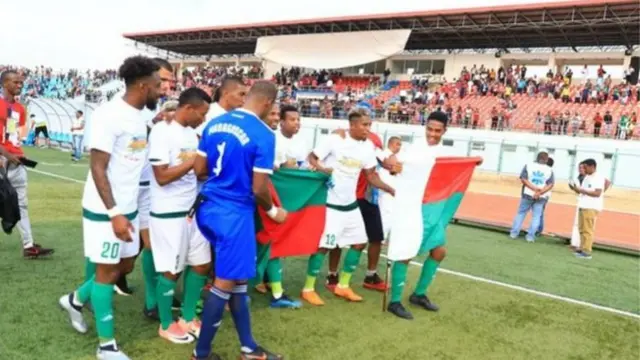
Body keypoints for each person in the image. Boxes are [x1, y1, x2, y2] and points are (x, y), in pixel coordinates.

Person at [58, 55, 162, 360]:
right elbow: (98, 168)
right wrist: (115, 213)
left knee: (124, 267)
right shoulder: (108, 115)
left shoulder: (141, 118)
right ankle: (106, 347)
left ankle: (74, 300)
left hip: (129, 206)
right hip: (106, 209)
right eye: (158, 86)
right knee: (106, 273)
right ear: (143, 86)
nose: (161, 91)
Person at [191, 81, 285, 360]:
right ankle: (201, 353)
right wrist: (273, 212)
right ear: (268, 103)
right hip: (234, 215)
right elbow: (258, 189)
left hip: (207, 207)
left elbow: (199, 170)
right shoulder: (264, 134)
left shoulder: (215, 124)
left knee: (238, 278)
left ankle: (249, 347)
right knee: (225, 283)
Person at [301, 108, 395, 306]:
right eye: (364, 125)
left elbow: (371, 175)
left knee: (360, 242)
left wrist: (390, 188)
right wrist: (322, 169)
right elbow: (312, 156)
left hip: (351, 205)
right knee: (324, 246)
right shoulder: (336, 140)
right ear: (352, 125)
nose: (368, 129)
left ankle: (343, 285)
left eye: (369, 125)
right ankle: (308, 289)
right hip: (331, 204)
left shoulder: (368, 147)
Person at [148, 87, 212, 344]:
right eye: (203, 113)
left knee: (201, 264)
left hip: (192, 210)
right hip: (168, 212)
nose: (204, 119)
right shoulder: (162, 132)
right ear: (189, 109)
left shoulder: (192, 134)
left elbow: (198, 172)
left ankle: (187, 317)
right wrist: (193, 162)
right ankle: (165, 324)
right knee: (171, 271)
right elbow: (161, 177)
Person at [385, 111, 451, 320]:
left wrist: (472, 163)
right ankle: (395, 301)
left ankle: (419, 294)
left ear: (444, 131)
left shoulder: (447, 153)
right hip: (410, 208)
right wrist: (393, 164)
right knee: (405, 253)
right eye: (429, 129)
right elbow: (393, 164)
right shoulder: (412, 150)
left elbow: (456, 172)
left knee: (439, 251)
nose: (432, 134)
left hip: (431, 210)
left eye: (437, 130)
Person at [253, 105, 304, 309]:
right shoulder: (268, 139)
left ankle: (274, 289)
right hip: (262, 200)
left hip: (270, 200)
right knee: (265, 243)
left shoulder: (293, 142)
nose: (297, 123)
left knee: (270, 244)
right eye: (272, 114)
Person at [0, 69, 55, 259]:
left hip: (17, 161)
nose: (19, 85)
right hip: (3, 160)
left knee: (21, 204)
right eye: (15, 82)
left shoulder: (20, 109)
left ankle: (29, 245)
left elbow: (13, 135)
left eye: (21, 82)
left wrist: (15, 153)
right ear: (4, 83)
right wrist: (5, 154)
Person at [509, 151, 554, 243]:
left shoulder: (528, 166)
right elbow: (550, 184)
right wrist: (540, 192)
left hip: (527, 193)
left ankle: (514, 233)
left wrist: (533, 189)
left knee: (521, 213)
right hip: (541, 196)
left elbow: (523, 179)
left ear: (537, 158)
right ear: (546, 160)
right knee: (536, 216)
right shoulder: (549, 170)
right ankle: (530, 237)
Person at [569, 159, 608, 259]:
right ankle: (582, 248)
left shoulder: (598, 177)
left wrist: (582, 190)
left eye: (585, 167)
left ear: (592, 167)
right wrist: (575, 189)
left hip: (591, 206)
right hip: (583, 204)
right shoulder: (587, 177)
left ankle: (587, 251)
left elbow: (597, 193)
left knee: (587, 230)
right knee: (581, 228)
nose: (583, 169)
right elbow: (583, 191)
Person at [536, 157, 554, 236]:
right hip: (545, 195)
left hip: (543, 194)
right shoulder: (549, 172)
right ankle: (538, 229)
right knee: (539, 213)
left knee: (539, 213)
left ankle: (538, 229)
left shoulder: (547, 172)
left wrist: (540, 193)